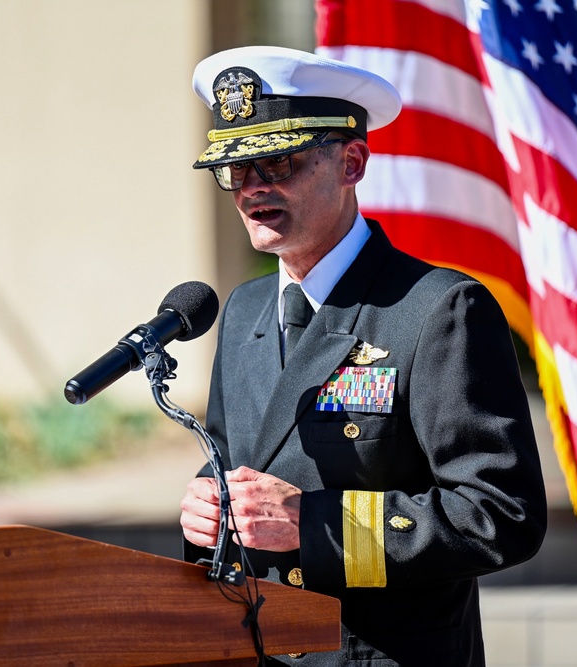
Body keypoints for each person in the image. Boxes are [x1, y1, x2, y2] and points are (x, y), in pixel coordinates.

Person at [179, 46, 547, 666]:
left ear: (352, 161)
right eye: (236, 170)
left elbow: (500, 513)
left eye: (279, 162)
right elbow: (238, 460)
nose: (254, 189)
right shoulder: (240, 311)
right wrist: (207, 507)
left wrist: (313, 524)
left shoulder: (438, 310)